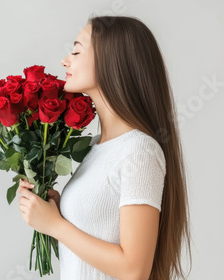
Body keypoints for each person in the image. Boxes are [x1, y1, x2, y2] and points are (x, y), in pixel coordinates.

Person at [17, 16, 193, 280]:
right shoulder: (94, 147)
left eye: (77, 51)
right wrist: (55, 209)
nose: (66, 60)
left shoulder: (139, 151)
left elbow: (134, 270)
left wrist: (56, 226)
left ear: (113, 62)